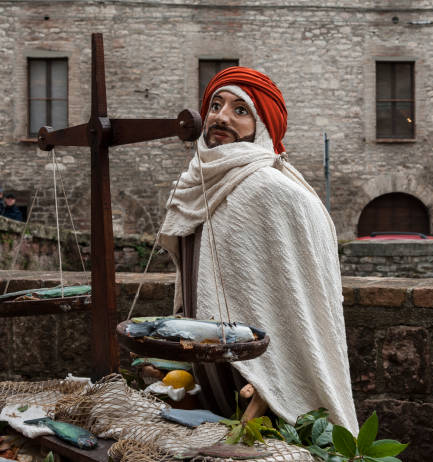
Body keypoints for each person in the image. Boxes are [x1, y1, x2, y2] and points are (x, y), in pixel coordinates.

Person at [158, 67, 358, 434]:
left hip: (260, 377)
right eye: (216, 105)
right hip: (209, 370)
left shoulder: (273, 190)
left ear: (261, 126)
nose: (221, 116)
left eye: (240, 110)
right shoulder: (195, 181)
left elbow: (296, 304)